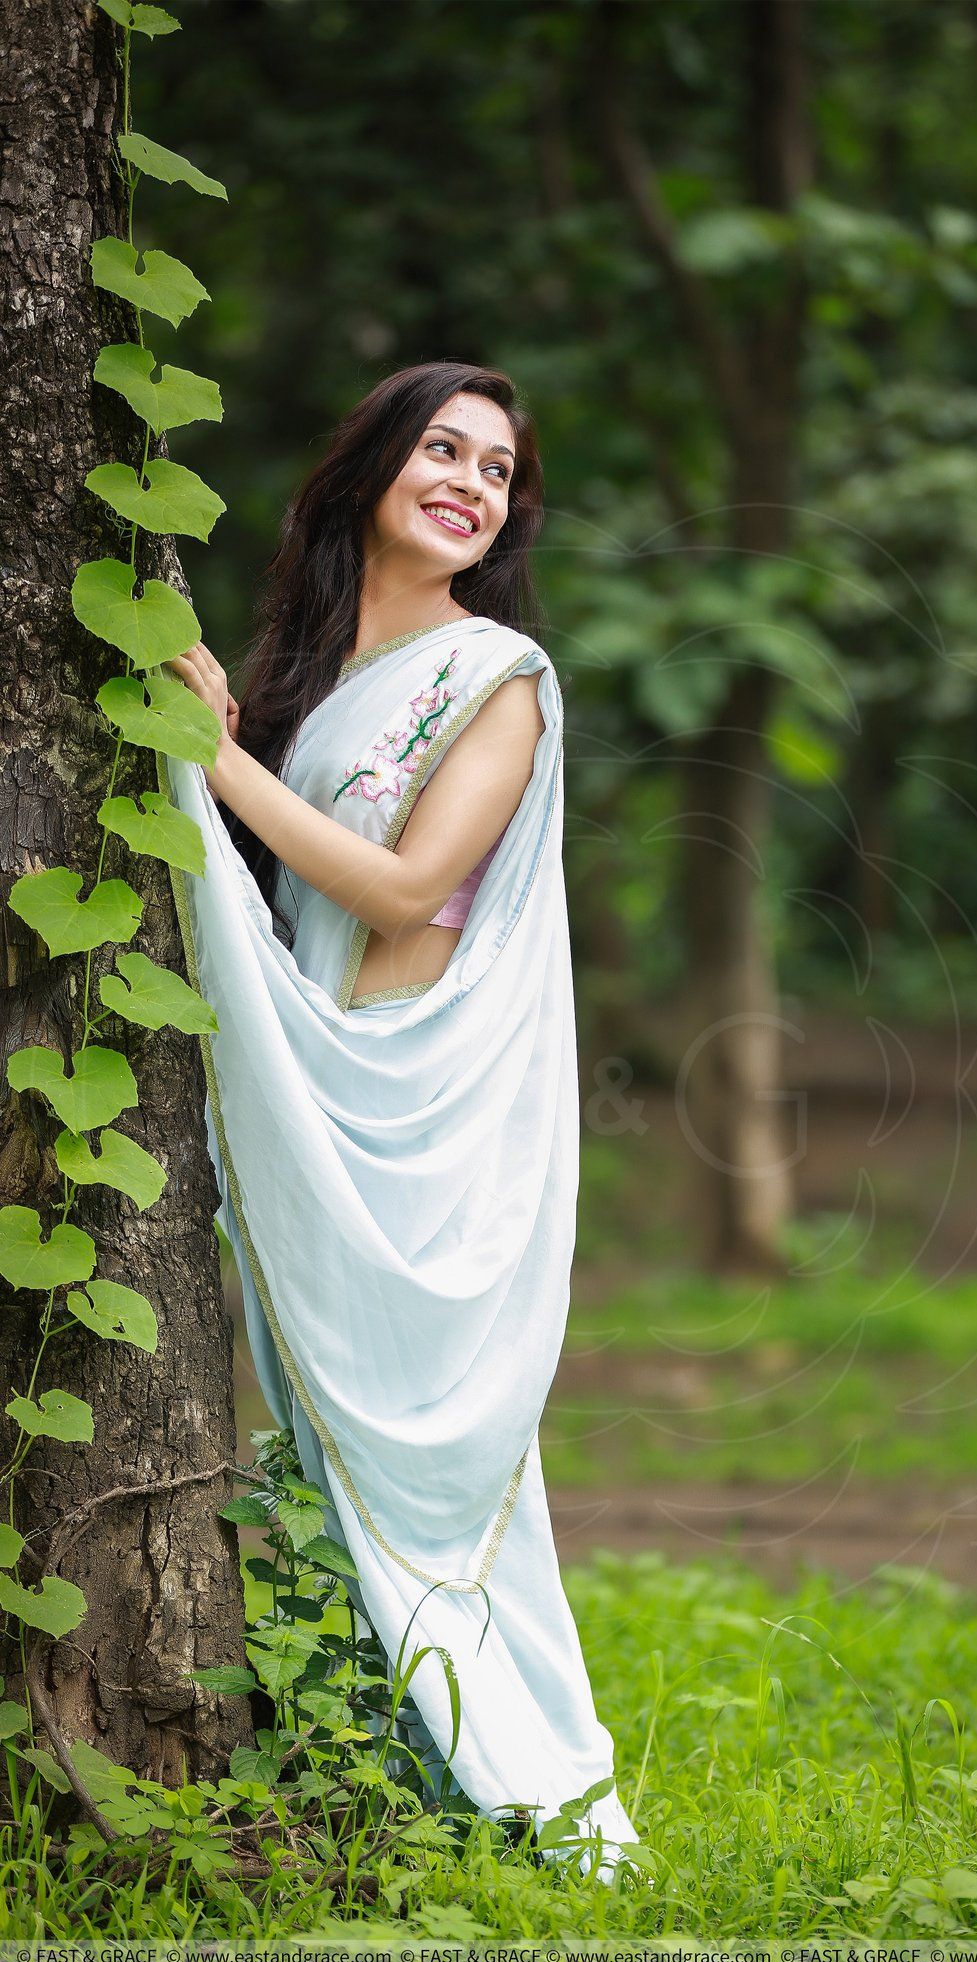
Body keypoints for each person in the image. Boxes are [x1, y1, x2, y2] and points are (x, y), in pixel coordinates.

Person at [158, 362, 641, 1884]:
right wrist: (229, 734)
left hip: (402, 1118)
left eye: (498, 471)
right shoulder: (314, 672)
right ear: (369, 464)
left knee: (412, 1456)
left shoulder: (498, 678)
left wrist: (214, 759)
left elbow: (393, 881)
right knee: (300, 1435)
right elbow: (273, 872)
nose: (473, 485)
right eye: (445, 449)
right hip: (305, 1081)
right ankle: (361, 1762)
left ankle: (525, 1789)